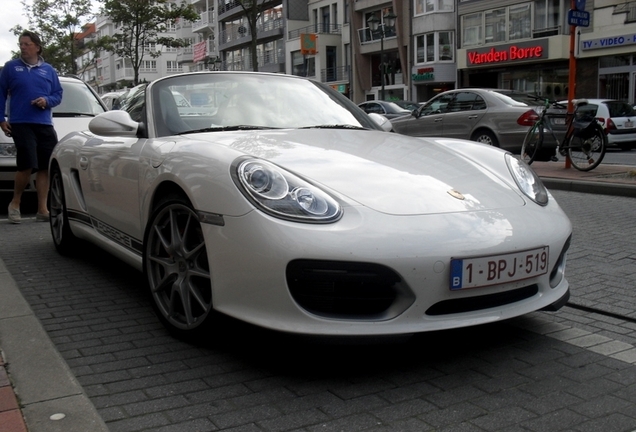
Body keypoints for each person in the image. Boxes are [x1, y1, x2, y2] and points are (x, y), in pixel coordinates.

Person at [0, 30, 63, 224]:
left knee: (44, 166)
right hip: (20, 122)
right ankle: (15, 203)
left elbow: (58, 94)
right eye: (21, 44)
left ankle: (42, 209)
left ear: (37, 46)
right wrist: (1, 119)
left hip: (44, 123)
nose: (23, 47)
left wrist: (47, 100)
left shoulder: (49, 70)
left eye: (27, 44)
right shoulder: (11, 68)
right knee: (27, 164)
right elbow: (0, 93)